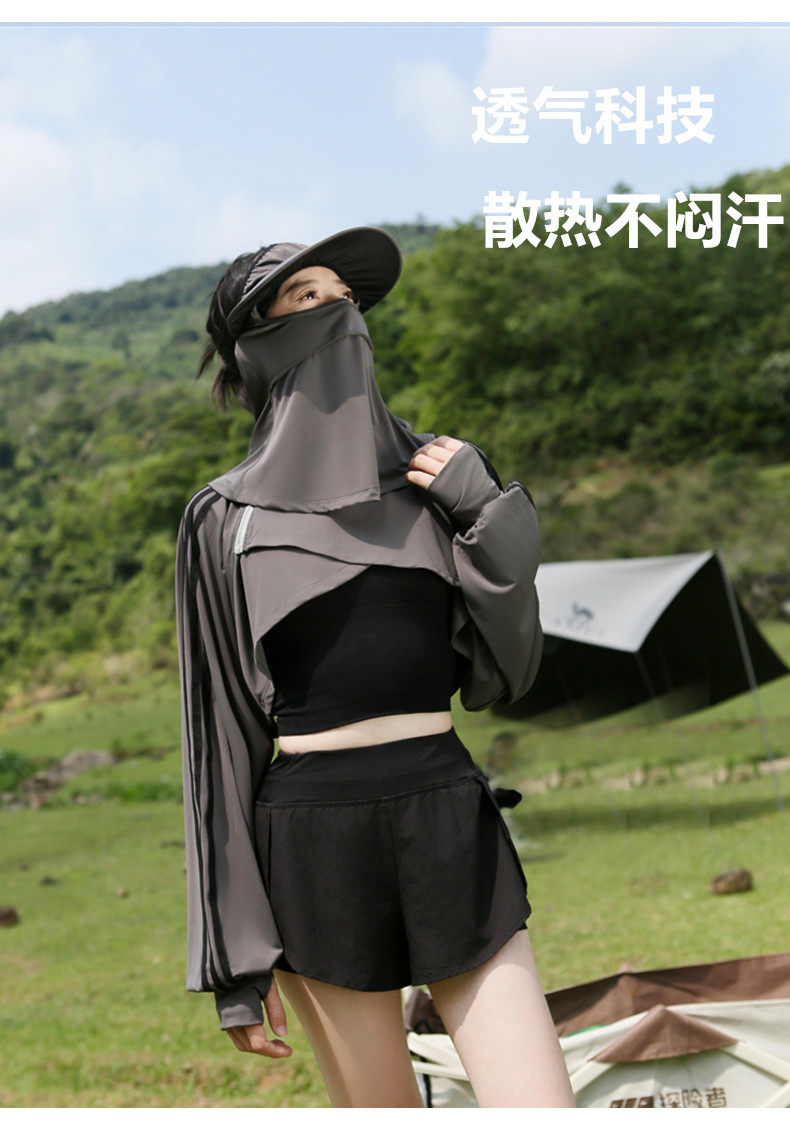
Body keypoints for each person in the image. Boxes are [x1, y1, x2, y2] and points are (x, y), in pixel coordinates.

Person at [175, 226, 576, 1108]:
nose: (338, 310)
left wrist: (487, 515)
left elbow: (509, 670)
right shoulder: (223, 521)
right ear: (257, 342)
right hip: (312, 845)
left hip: (447, 814)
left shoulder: (442, 479)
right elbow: (217, 749)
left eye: (343, 295)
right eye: (305, 297)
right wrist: (235, 965)